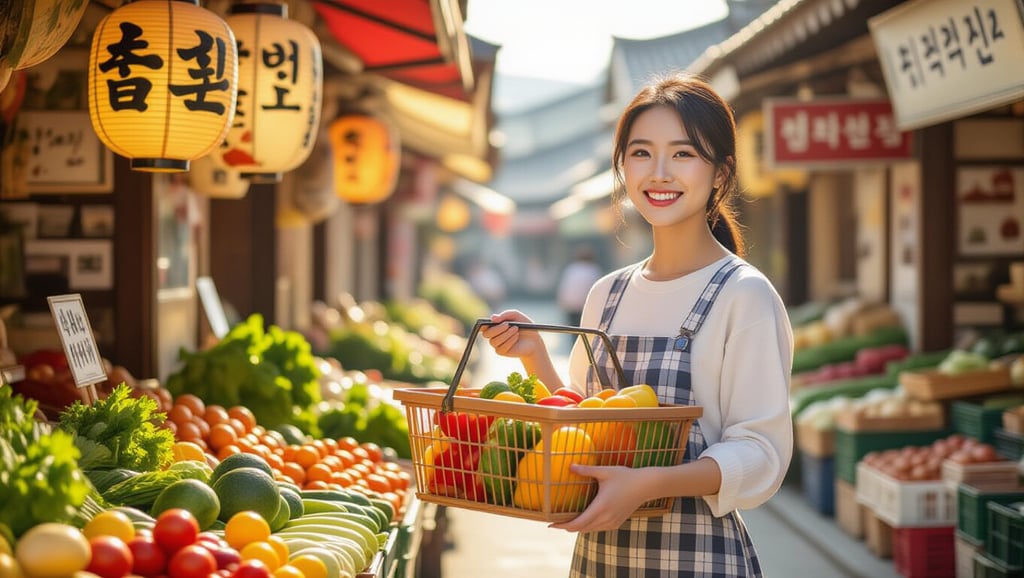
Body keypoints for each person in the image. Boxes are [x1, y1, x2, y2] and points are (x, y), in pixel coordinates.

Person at [481, 74, 793, 577]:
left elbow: (762, 454)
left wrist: (649, 484)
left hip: (699, 559)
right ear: (623, 166)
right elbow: (583, 429)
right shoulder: (607, 294)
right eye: (642, 153)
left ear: (720, 173)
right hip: (600, 560)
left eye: (683, 154)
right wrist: (535, 355)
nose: (659, 173)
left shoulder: (744, 295)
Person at [557, 246, 604, 327]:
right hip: (586, 306)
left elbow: (564, 289)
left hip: (571, 306)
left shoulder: (571, 269)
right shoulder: (594, 270)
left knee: (572, 329)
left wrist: (562, 304)